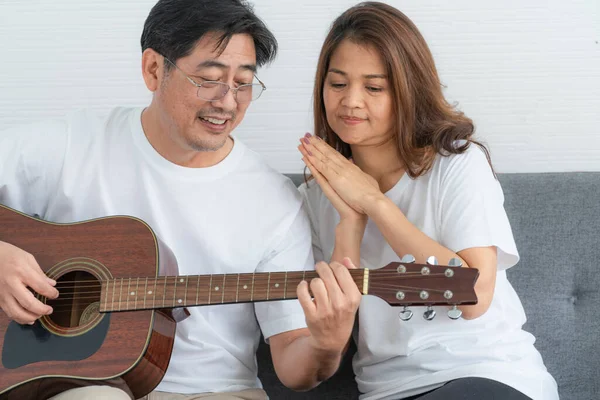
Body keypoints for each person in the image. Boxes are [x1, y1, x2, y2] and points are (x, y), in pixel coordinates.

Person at [0, 1, 361, 399]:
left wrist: (327, 346)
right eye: (209, 78)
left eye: (244, 83)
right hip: (83, 385)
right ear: (154, 69)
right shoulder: (73, 145)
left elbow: (295, 367)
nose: (227, 101)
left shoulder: (274, 201)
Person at [297, 2, 559, 400]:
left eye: (373, 87)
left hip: (487, 373)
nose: (350, 101)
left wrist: (376, 204)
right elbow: (337, 330)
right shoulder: (315, 196)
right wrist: (349, 224)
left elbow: (474, 296)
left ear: (407, 91)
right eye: (337, 84)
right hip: (388, 390)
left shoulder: (457, 164)